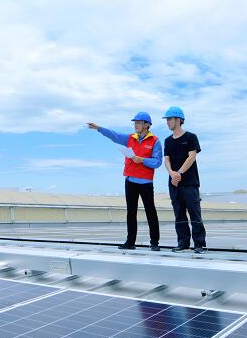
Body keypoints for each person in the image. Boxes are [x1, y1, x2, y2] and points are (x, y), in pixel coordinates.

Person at [87, 112, 163, 251]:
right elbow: (114, 135)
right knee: (131, 212)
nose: (135, 125)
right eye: (134, 123)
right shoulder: (130, 138)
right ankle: (130, 242)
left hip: (146, 183)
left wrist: (142, 160)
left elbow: (157, 162)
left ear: (147, 124)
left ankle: (154, 242)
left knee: (150, 212)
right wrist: (99, 128)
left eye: (138, 123)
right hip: (130, 181)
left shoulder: (155, 141)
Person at [162, 106, 206, 253]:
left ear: (179, 120)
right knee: (179, 214)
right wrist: (171, 173)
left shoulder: (191, 137)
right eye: (167, 119)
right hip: (174, 183)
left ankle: (199, 244)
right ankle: (183, 242)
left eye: (170, 119)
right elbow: (166, 159)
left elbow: (191, 157)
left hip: (189, 182)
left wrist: (179, 173)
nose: (167, 122)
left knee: (194, 213)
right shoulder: (168, 141)